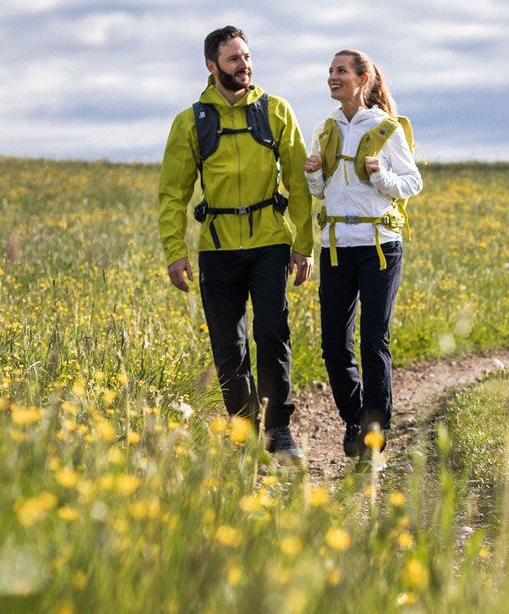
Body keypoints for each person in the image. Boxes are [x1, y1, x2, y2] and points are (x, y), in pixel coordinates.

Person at [158, 26, 315, 460]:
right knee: (228, 345)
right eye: (233, 59)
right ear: (212, 67)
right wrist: (175, 253)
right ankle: (243, 430)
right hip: (217, 249)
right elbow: (172, 193)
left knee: (272, 334)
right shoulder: (191, 121)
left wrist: (305, 244)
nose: (244, 65)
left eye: (246, 57)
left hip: (269, 243)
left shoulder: (276, 111)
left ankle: (279, 431)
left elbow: (300, 183)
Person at [303, 48, 422, 465]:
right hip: (336, 244)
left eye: (341, 71)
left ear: (363, 79)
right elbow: (318, 192)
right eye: (330, 70)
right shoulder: (325, 129)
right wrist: (314, 172)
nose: (332, 77)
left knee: (374, 339)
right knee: (334, 345)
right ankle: (353, 419)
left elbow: (413, 182)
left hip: (379, 245)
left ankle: (375, 428)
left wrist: (381, 176)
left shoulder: (387, 128)